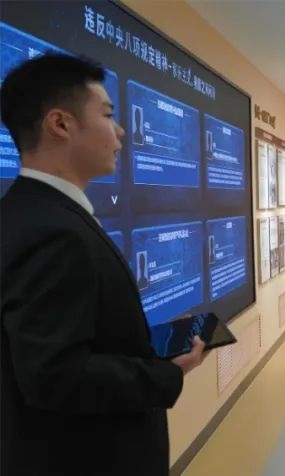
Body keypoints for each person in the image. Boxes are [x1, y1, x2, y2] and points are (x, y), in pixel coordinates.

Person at [0, 53, 208, 475]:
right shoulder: (54, 232)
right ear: (60, 124)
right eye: (108, 115)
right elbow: (55, 375)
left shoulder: (28, 213)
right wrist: (164, 373)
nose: (121, 131)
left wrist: (143, 343)